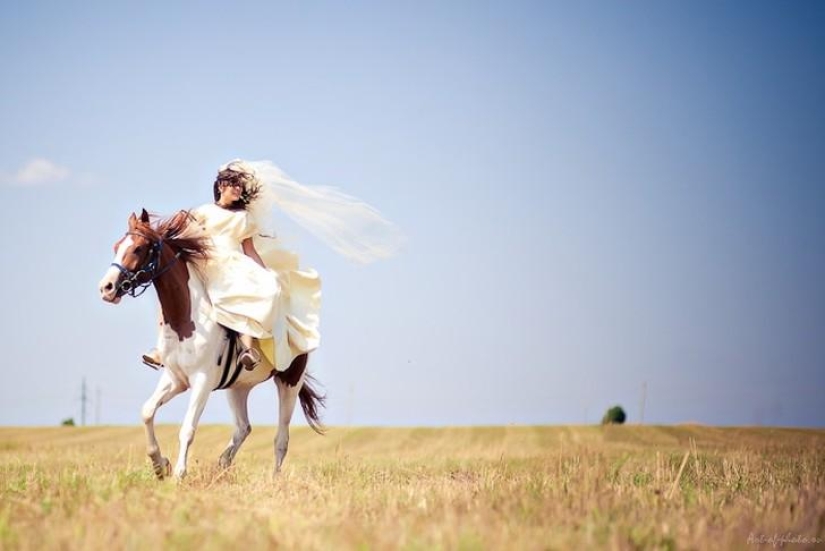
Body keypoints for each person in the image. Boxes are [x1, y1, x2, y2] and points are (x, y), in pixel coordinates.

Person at [143, 158, 403, 371]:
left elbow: (249, 250)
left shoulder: (245, 218)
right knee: (172, 294)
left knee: (257, 293)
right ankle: (160, 349)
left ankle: (247, 349)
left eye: (241, 187)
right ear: (222, 185)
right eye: (234, 185)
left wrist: (265, 273)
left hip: (232, 263)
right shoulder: (202, 211)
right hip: (205, 262)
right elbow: (187, 237)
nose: (238, 190)